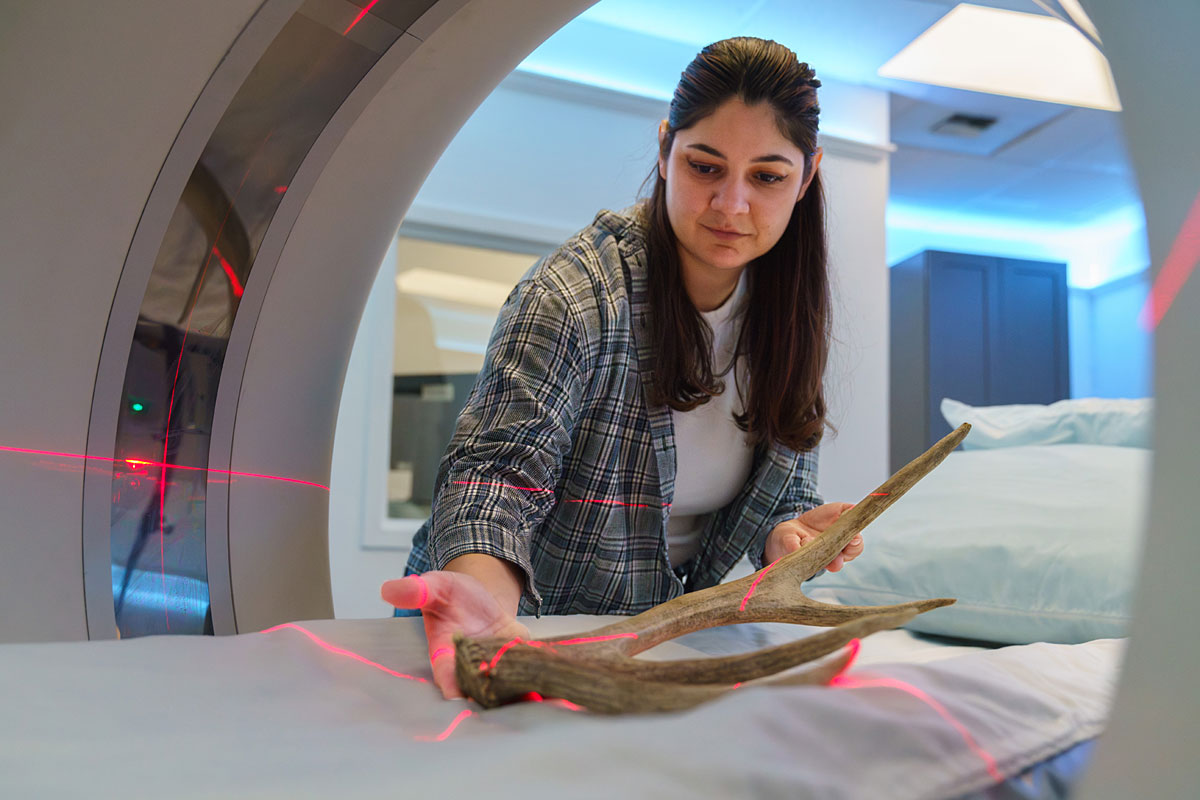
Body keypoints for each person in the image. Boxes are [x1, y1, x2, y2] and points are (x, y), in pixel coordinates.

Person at [381, 37, 865, 698]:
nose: (731, 204)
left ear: (806, 178)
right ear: (666, 150)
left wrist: (785, 534)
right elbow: (494, 477)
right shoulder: (573, 297)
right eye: (705, 166)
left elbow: (781, 493)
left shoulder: (788, 319)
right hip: (498, 625)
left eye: (767, 176)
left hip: (635, 641)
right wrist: (484, 612)